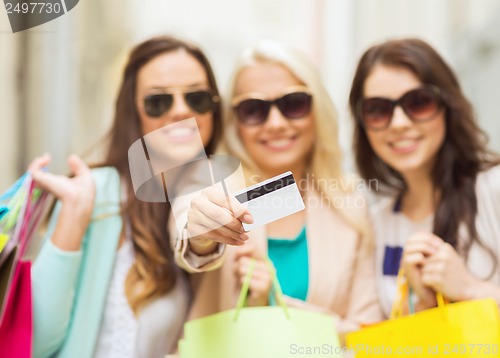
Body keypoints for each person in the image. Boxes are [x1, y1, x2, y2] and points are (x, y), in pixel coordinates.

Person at [29, 35, 225, 357]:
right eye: (158, 101)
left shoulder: (213, 193)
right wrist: (75, 217)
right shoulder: (98, 192)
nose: (180, 111)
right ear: (133, 112)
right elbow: (35, 340)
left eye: (197, 98)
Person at [186, 40, 383, 334]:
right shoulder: (210, 185)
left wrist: (276, 305)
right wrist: (201, 236)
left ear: (317, 110)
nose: (275, 123)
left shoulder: (349, 203)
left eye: (293, 104)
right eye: (254, 109)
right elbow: (188, 233)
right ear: (234, 121)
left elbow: (367, 335)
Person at [349, 38, 500, 316]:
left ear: (447, 106)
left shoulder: (493, 190)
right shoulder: (378, 223)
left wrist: (470, 289)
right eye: (378, 109)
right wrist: (424, 304)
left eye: (418, 103)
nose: (399, 123)